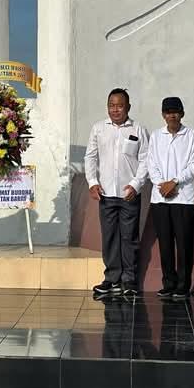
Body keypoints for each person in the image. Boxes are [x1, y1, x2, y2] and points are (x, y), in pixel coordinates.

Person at [84, 88, 150, 299]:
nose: (115, 109)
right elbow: (90, 157)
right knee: (110, 237)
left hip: (129, 193)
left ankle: (129, 280)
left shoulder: (138, 129)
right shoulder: (98, 128)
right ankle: (112, 279)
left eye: (120, 105)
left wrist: (136, 184)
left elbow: (146, 160)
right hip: (106, 193)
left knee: (129, 238)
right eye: (112, 105)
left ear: (128, 107)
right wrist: (93, 182)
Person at [146, 96, 194, 300]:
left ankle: (183, 285)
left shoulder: (191, 135)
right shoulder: (156, 136)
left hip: (183, 198)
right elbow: (151, 163)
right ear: (163, 115)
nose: (172, 115)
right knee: (165, 243)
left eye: (176, 111)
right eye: (168, 112)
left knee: (184, 243)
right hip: (161, 198)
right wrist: (162, 184)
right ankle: (168, 283)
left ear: (182, 113)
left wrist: (175, 182)